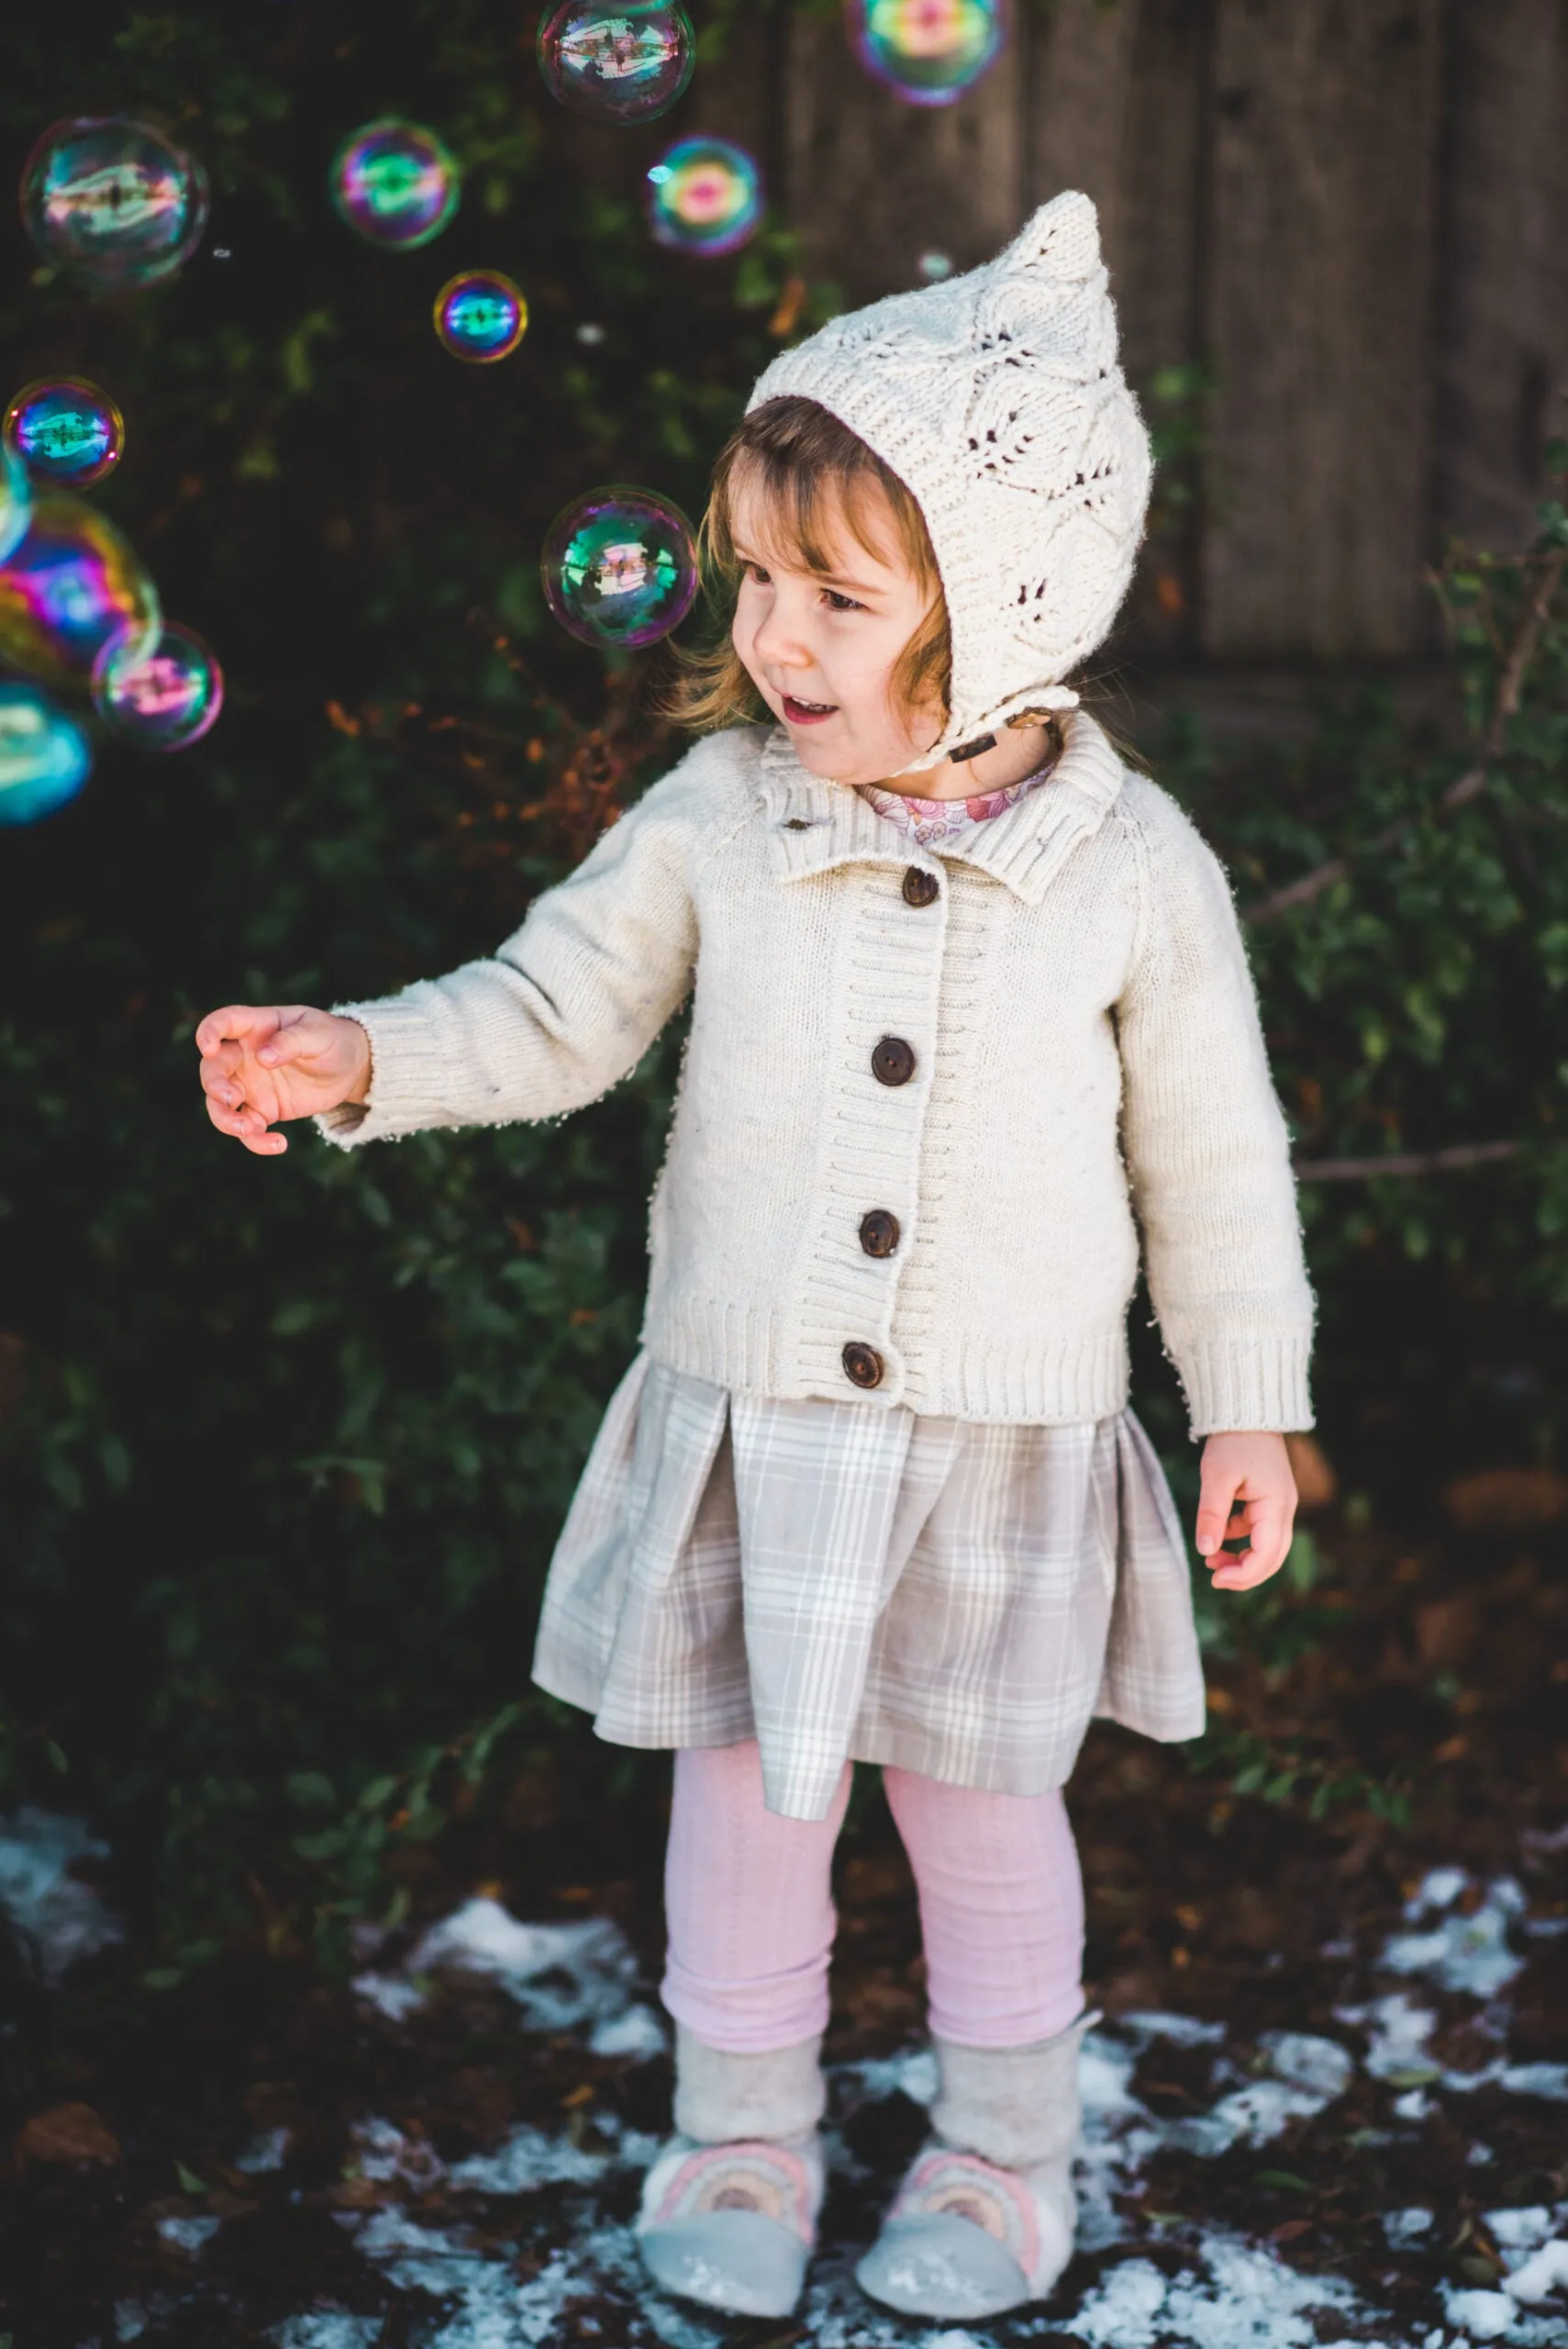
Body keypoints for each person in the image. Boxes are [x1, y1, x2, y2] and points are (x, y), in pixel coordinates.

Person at [195, 191, 1314, 2323]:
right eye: (755, 580)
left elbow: (1213, 1151)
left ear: (994, 613)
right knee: (741, 1801)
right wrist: (358, 1054)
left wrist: (1245, 1392)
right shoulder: (719, 815)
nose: (776, 634)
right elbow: (547, 1010)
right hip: (751, 1415)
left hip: (1002, 1439)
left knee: (981, 1824)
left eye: (836, 589)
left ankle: (998, 2164)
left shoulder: (1128, 866)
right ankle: (740, 2130)